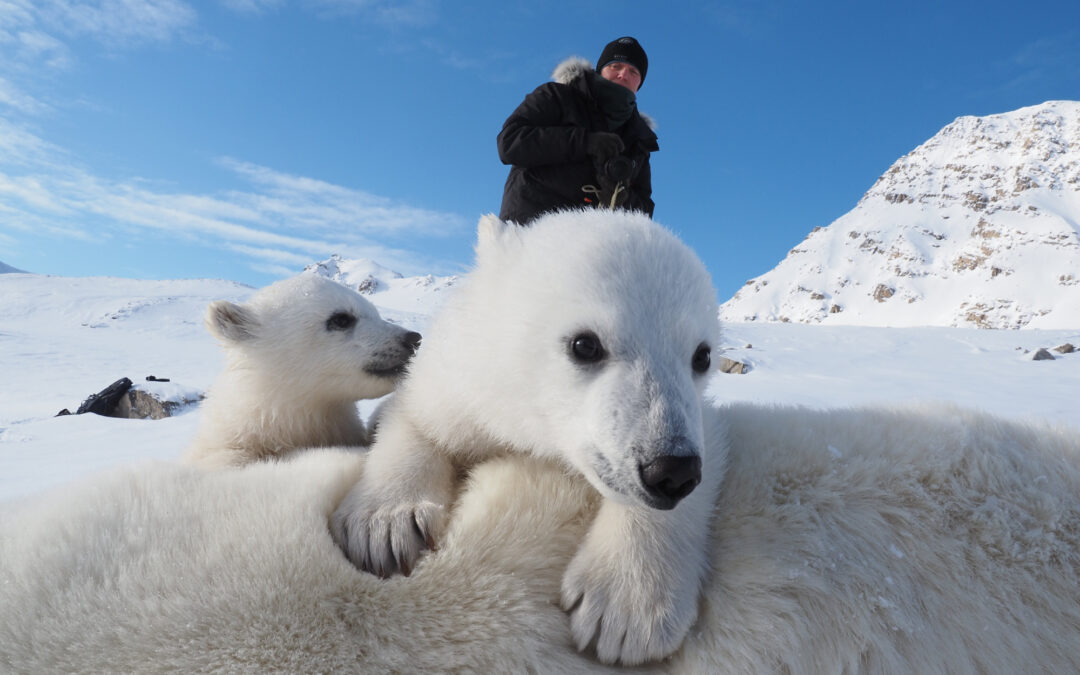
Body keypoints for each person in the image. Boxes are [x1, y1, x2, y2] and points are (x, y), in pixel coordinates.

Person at [497, 36, 658, 225]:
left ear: (639, 84)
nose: (624, 74)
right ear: (601, 70)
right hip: (530, 229)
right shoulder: (557, 96)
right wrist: (585, 142)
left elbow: (644, 211)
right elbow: (509, 143)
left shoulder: (638, 138)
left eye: (633, 71)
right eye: (615, 66)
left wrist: (621, 198)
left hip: (591, 241)